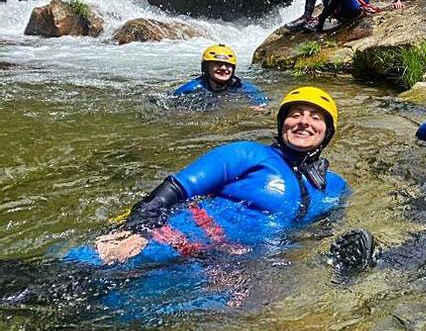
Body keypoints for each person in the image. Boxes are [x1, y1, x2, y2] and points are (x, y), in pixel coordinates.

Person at [72, 86, 365, 266]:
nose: (304, 122)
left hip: (233, 264)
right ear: (282, 124)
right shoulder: (249, 153)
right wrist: (135, 229)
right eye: (296, 114)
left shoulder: (334, 187)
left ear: (327, 133)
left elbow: (325, 234)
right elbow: (177, 188)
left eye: (316, 117)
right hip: (171, 241)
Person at [173, 44, 268, 107]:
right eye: (217, 64)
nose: (223, 68)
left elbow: (260, 98)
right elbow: (170, 101)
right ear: (206, 68)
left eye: (228, 65)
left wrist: (259, 106)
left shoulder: (240, 85)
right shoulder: (192, 88)